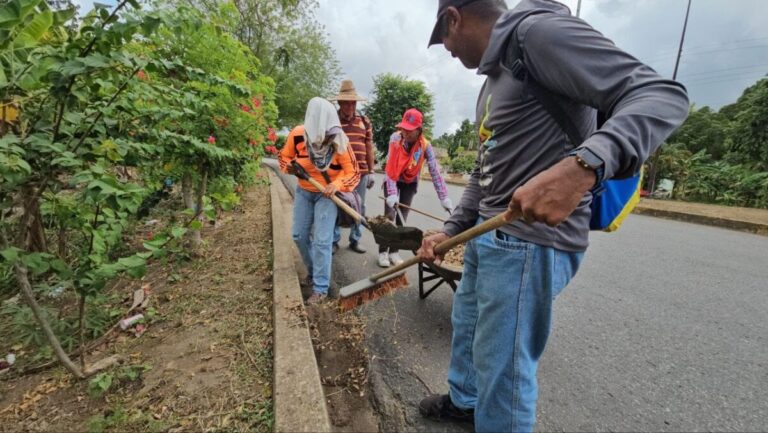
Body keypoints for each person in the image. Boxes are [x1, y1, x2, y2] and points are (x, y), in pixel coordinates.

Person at [417, 0, 689, 432]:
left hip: (528, 244)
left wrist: (585, 164)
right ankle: (466, 402)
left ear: (454, 17)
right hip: (486, 237)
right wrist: (450, 229)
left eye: (443, 38)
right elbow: (485, 170)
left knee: (504, 371)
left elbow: (662, 96)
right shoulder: (492, 79)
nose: (446, 49)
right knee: (467, 328)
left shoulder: (539, 35)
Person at [279, 97, 360, 305]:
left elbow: (353, 172)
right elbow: (283, 157)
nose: (323, 140)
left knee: (323, 241)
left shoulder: (339, 139)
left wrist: (337, 185)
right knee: (298, 235)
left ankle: (320, 288)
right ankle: (315, 271)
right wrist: (290, 167)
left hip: (327, 194)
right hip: (305, 191)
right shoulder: (298, 135)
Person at [379, 108, 453, 268]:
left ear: (419, 130)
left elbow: (435, 172)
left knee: (402, 219)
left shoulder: (425, 146)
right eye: (403, 128)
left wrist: (444, 197)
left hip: (410, 182)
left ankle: (394, 251)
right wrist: (391, 193)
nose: (405, 132)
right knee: (390, 216)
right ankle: (383, 251)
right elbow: (390, 166)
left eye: (410, 130)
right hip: (393, 178)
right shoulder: (395, 139)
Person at [329, 79, 376, 255]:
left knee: (359, 206)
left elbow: (369, 147)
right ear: (340, 103)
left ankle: (355, 239)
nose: (350, 106)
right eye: (346, 103)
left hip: (361, 173)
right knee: (337, 204)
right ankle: (334, 240)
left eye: (353, 103)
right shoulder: (332, 121)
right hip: (339, 173)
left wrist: (371, 171)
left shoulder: (364, 121)